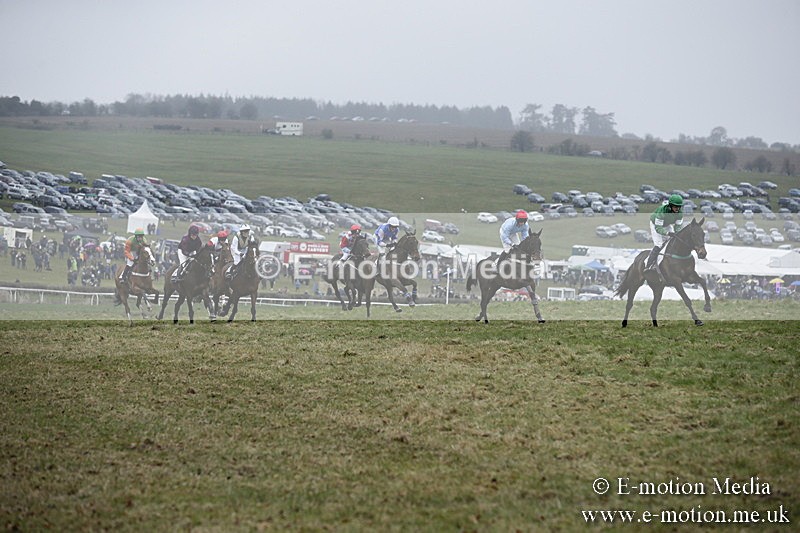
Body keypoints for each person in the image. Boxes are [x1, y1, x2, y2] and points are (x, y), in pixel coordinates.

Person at [644, 194, 684, 280]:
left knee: (673, 240)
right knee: (659, 244)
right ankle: (648, 266)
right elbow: (658, 228)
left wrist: (676, 233)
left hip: (667, 224)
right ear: (670, 205)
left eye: (679, 207)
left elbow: (678, 227)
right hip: (655, 225)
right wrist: (667, 233)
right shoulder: (662, 211)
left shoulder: (680, 213)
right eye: (675, 207)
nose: (677, 209)